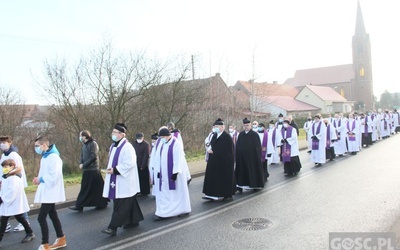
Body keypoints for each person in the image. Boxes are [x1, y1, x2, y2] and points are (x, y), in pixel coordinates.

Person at [101, 123, 144, 236]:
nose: (113, 134)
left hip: (125, 181)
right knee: (129, 203)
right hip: (116, 180)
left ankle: (112, 228)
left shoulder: (127, 147)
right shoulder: (113, 145)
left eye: (114, 132)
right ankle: (133, 221)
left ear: (121, 134)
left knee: (120, 206)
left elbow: (130, 163)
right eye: (113, 132)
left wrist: (115, 170)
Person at [33, 135, 67, 250]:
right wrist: (38, 179)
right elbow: (44, 172)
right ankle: (61, 238)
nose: (36, 148)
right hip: (47, 190)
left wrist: (41, 179)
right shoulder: (45, 157)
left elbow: (54, 176)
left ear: (44, 145)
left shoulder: (54, 157)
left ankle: (45, 243)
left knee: (41, 217)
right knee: (52, 214)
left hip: (51, 191)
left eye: (37, 146)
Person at [151, 127, 191, 220]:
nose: (161, 139)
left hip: (174, 174)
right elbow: (157, 157)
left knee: (178, 192)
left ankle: (182, 209)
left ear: (167, 136)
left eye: (162, 137)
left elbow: (179, 159)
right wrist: (157, 170)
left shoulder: (176, 144)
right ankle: (164, 211)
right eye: (160, 137)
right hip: (163, 174)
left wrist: (175, 173)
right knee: (164, 192)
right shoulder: (161, 143)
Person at [69, 130, 108, 212]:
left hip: (93, 170)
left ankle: (101, 203)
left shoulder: (93, 144)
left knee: (96, 188)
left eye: (80, 136)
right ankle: (80, 205)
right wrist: (81, 163)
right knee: (86, 188)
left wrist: (84, 164)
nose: (80, 137)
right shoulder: (84, 145)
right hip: (87, 170)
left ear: (84, 136)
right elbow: (82, 156)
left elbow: (93, 156)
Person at [0, 159, 35, 247]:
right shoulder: (7, 176)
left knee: (4, 220)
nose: (4, 168)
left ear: (12, 166)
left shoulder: (14, 178)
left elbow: (12, 191)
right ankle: (30, 232)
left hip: (13, 202)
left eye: (6, 166)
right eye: (3, 167)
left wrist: (2, 199)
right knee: (19, 217)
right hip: (9, 203)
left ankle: (30, 233)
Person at [0, 135, 29, 233]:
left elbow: (18, 168)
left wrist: (10, 176)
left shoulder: (14, 155)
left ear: (9, 143)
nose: (2, 145)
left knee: (18, 205)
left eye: (4, 142)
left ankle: (25, 223)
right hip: (5, 181)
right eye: (0, 143)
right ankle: (6, 224)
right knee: (9, 206)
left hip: (14, 182)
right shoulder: (4, 155)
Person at [202, 118, 235, 201]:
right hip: (213, 161)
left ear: (222, 127)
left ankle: (222, 194)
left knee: (221, 179)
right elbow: (211, 145)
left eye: (217, 126)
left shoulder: (227, 137)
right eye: (215, 126)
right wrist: (209, 149)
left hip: (222, 162)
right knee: (211, 177)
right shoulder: (214, 135)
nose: (216, 128)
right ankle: (210, 193)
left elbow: (229, 152)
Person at [235, 118, 264, 192]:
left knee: (252, 171)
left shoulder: (254, 135)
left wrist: (257, 156)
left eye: (247, 125)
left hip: (252, 158)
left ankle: (254, 184)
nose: (246, 127)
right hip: (242, 158)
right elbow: (238, 146)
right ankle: (240, 185)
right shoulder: (241, 135)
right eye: (244, 125)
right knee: (242, 172)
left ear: (250, 125)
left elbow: (258, 147)